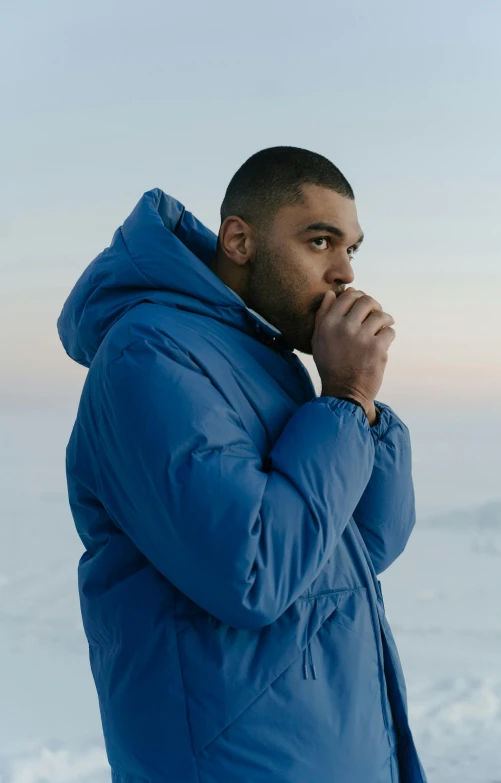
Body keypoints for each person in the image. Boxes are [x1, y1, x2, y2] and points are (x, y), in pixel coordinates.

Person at [57, 146, 427, 783]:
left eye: (351, 250)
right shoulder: (148, 355)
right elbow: (251, 572)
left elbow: (361, 547)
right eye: (320, 241)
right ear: (238, 240)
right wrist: (344, 401)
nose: (344, 272)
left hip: (334, 749)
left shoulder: (263, 363)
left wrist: (362, 412)